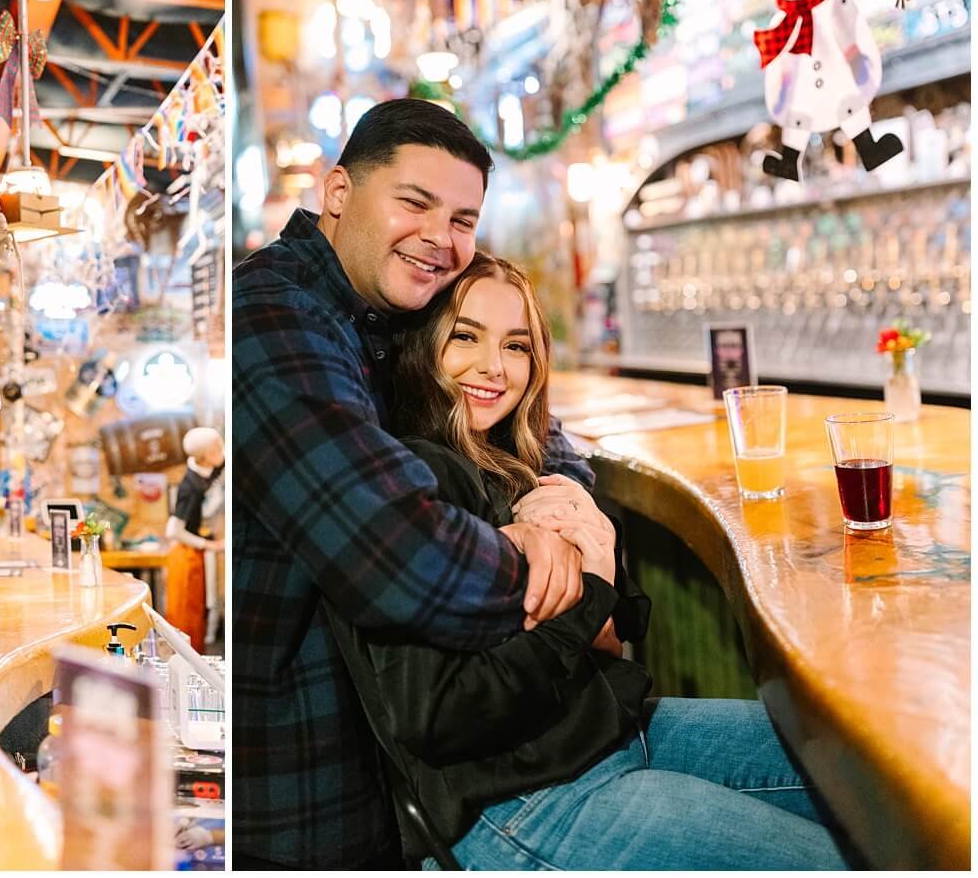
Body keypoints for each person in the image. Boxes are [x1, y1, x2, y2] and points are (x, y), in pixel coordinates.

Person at [328, 252, 857, 869]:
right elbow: (439, 714)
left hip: (603, 732)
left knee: (865, 777)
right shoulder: (419, 477)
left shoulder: (509, 460)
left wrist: (595, 548)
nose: (494, 367)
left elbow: (620, 623)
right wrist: (592, 585)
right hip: (522, 801)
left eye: (516, 346)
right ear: (422, 347)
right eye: (465, 337)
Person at [233, 99, 594, 869]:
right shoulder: (272, 314)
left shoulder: (380, 309)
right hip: (300, 792)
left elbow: (543, 428)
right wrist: (548, 564)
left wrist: (559, 504)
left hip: (388, 774)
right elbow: (398, 556)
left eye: (463, 219)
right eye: (415, 202)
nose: (441, 236)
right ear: (338, 192)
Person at [165, 426, 225, 651]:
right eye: (218, 447)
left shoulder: (212, 469)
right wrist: (211, 545)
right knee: (187, 615)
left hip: (200, 551)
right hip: (186, 554)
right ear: (206, 456)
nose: (223, 450)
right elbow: (173, 530)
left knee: (201, 611)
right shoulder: (190, 487)